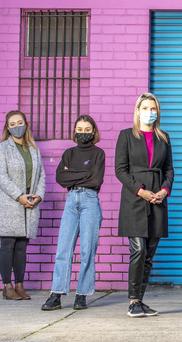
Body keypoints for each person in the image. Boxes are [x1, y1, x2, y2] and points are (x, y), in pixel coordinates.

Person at [115, 93, 174, 318]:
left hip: (157, 199)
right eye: (146, 107)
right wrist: (140, 191)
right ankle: (132, 300)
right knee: (138, 249)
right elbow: (120, 169)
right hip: (135, 199)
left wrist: (163, 191)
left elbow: (169, 170)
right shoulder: (126, 136)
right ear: (138, 110)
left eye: (154, 108)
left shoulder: (164, 137)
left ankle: (140, 299)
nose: (150, 111)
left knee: (149, 253)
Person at [42, 115, 105, 311]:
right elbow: (61, 177)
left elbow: (95, 180)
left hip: (90, 201)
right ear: (74, 131)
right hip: (71, 201)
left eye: (87, 129)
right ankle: (56, 293)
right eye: (80, 129)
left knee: (87, 250)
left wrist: (74, 175)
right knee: (63, 249)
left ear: (93, 132)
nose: (83, 133)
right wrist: (83, 174)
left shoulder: (98, 153)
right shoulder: (69, 153)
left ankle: (82, 294)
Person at [0, 110, 45, 301]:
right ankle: (7, 286)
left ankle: (19, 285)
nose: (17, 126)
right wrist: (19, 196)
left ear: (25, 124)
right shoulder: (3, 148)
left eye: (20, 122)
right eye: (12, 124)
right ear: (8, 128)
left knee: (21, 247)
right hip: (10, 203)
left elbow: (42, 175)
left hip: (30, 205)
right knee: (7, 245)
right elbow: (1, 176)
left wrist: (39, 196)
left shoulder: (33, 149)